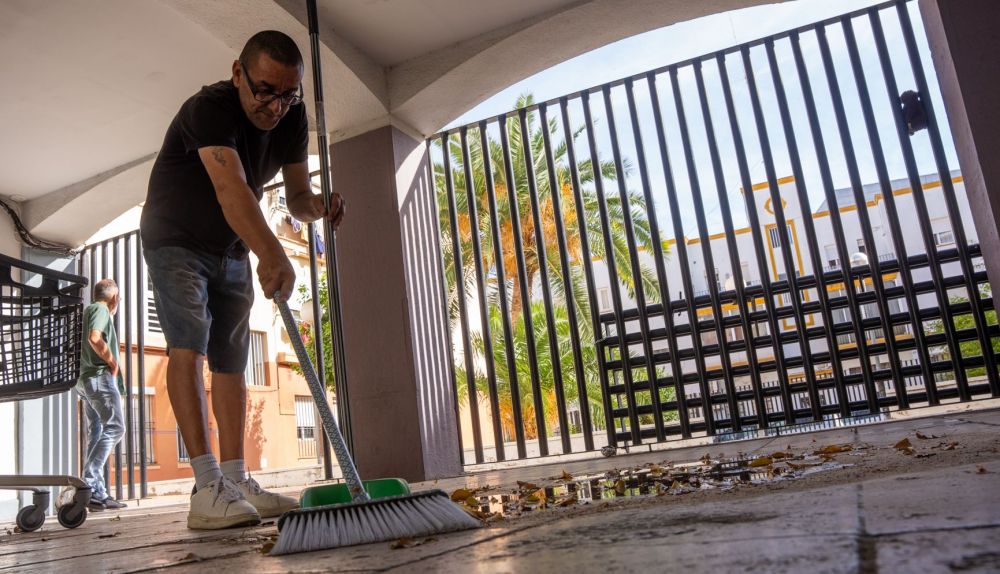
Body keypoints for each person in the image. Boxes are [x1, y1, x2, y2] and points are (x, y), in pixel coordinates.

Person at [140, 30, 345, 530]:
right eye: (265, 90)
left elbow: (297, 197)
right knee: (189, 342)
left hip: (230, 245)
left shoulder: (292, 116)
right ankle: (207, 487)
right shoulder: (209, 109)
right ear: (238, 73)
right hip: (175, 239)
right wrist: (272, 253)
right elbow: (231, 188)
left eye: (288, 94)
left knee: (232, 360)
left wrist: (319, 206)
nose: (275, 106)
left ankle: (235, 480)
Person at [77, 278, 128, 512]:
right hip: (98, 378)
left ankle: (96, 493)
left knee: (96, 431)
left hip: (86, 380)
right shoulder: (100, 309)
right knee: (115, 428)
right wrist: (112, 361)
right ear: (114, 298)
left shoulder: (86, 311)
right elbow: (95, 338)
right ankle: (89, 483)